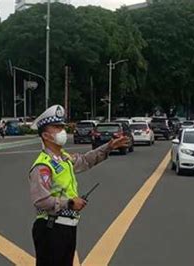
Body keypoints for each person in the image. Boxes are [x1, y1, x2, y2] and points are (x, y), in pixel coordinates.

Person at [28, 105, 128, 266]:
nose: (62, 131)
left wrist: (108, 147)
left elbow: (86, 160)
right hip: (51, 228)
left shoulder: (63, 158)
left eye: (62, 127)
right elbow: (40, 200)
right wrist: (69, 203)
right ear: (46, 135)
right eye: (57, 127)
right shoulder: (42, 166)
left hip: (67, 227)